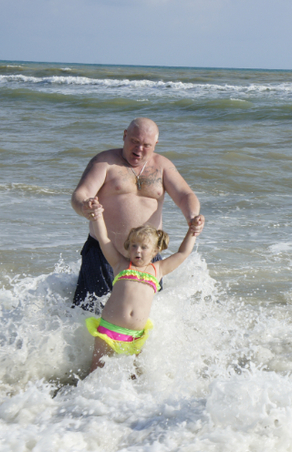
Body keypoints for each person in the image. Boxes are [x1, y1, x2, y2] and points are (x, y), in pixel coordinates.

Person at [71, 117, 204, 310]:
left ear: (155, 144)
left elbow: (185, 195)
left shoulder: (162, 166)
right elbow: (81, 194)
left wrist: (192, 217)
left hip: (148, 257)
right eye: (134, 141)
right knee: (91, 315)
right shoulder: (105, 162)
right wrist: (85, 207)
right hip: (105, 254)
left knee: (144, 315)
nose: (139, 149)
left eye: (146, 145)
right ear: (125, 135)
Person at [84, 197, 202, 372]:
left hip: (136, 336)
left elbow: (183, 252)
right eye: (133, 245)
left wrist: (192, 231)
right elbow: (103, 239)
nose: (137, 250)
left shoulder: (158, 269)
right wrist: (98, 216)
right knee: (96, 370)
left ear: (155, 251)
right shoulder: (120, 264)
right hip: (109, 329)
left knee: (136, 375)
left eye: (144, 247)